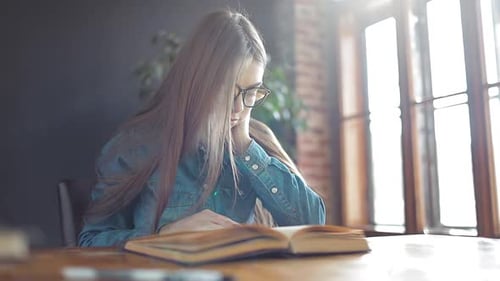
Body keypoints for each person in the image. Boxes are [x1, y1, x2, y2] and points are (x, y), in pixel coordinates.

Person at [79, 9, 325, 247]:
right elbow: (90, 242)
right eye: (228, 91)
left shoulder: (255, 145)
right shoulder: (136, 145)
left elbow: (313, 224)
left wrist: (243, 144)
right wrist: (162, 236)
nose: (238, 108)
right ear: (197, 83)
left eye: (251, 91)